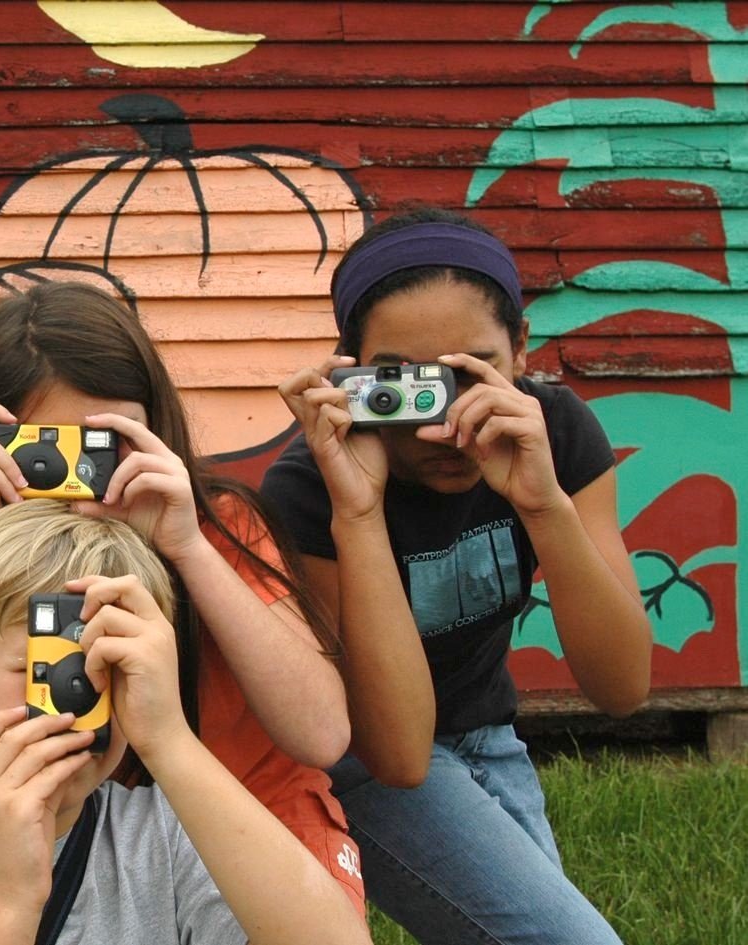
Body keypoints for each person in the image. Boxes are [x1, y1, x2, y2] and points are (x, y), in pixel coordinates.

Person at [0, 280, 366, 917]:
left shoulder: (215, 526)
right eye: (49, 455)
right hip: (77, 850)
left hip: (253, 836)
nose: (84, 483)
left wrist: (189, 549)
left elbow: (322, 735)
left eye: (106, 448)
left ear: (155, 433)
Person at [262, 207, 652, 945]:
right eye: (405, 385)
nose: (440, 424)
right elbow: (398, 757)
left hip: (484, 726)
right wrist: (359, 512)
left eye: (469, 374)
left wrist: (543, 504)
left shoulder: (552, 432)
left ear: (520, 353)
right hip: (358, 754)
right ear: (349, 371)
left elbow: (621, 685)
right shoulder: (309, 491)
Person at [0, 500, 371, 944]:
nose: (70, 707)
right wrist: (9, 902)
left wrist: (168, 741)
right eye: (37, 670)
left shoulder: (167, 836)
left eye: (110, 674)